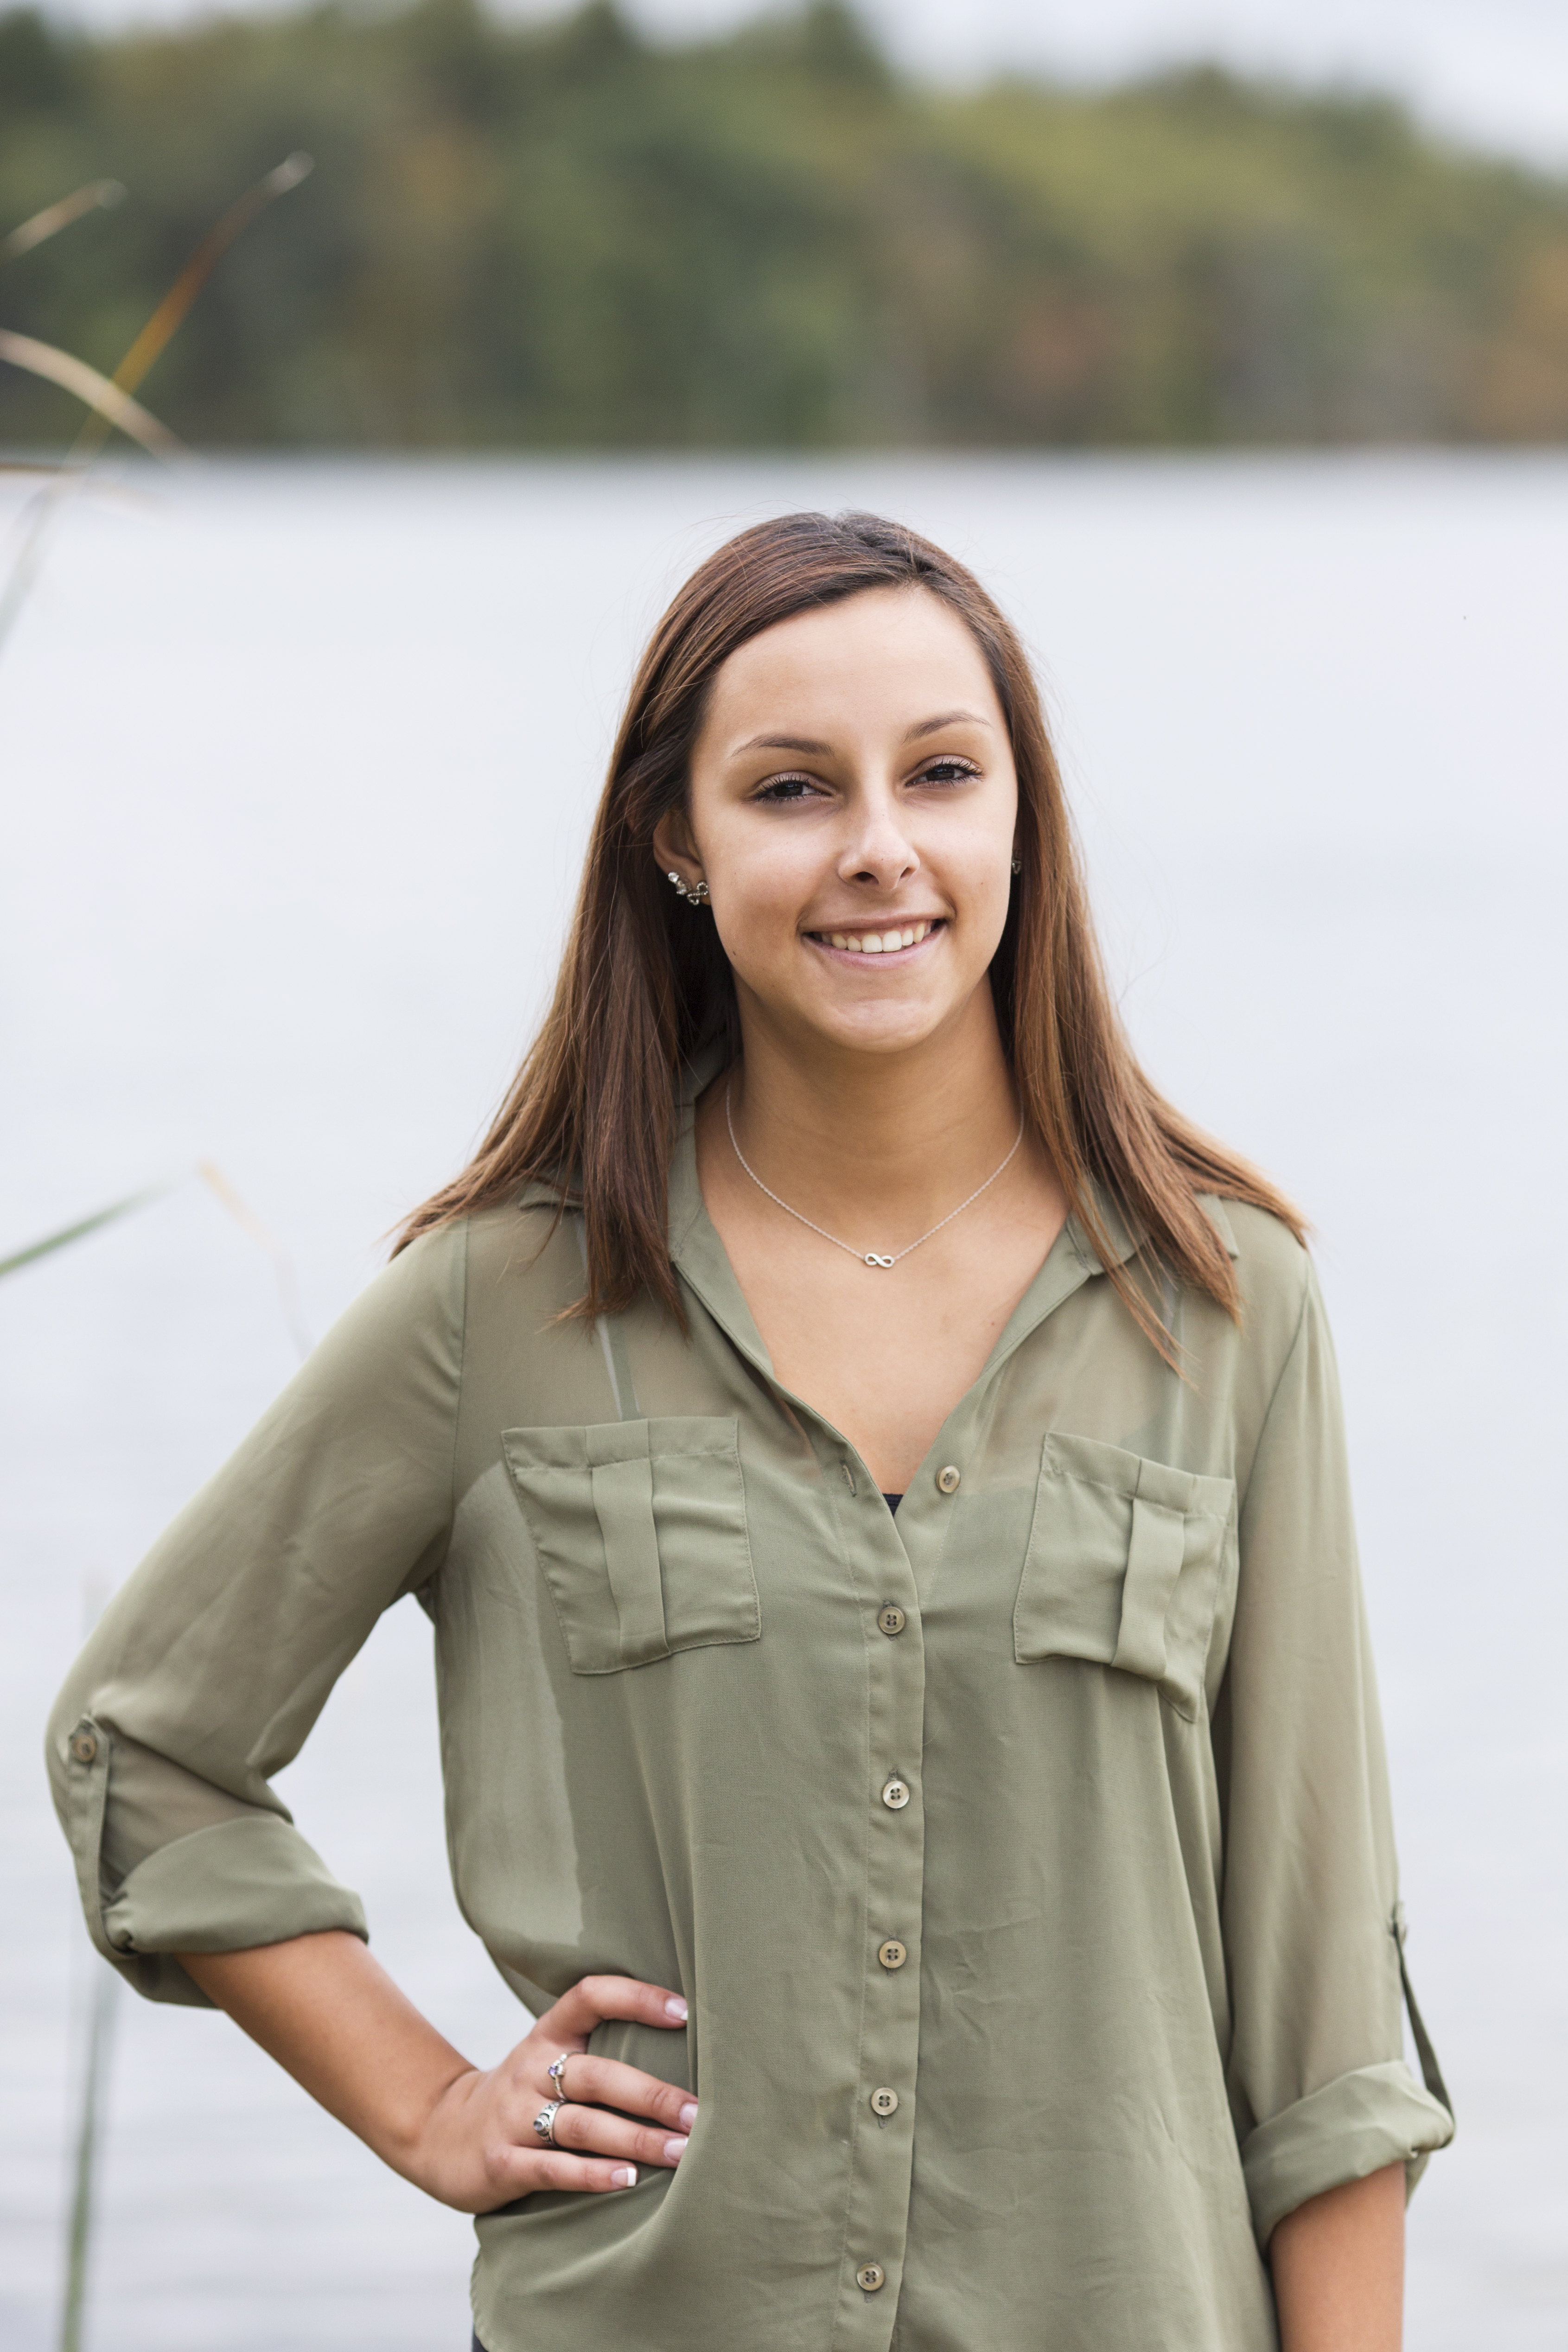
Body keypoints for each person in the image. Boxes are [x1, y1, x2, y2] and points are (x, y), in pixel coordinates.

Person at [49, 510, 1452, 2352]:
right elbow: (146, 1746)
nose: (881, 849)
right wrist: (425, 2100)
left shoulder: (1222, 1299)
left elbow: (1325, 2009)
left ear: (1019, 815)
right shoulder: (504, 1303)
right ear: (677, 844)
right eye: (793, 788)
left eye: (943, 774)